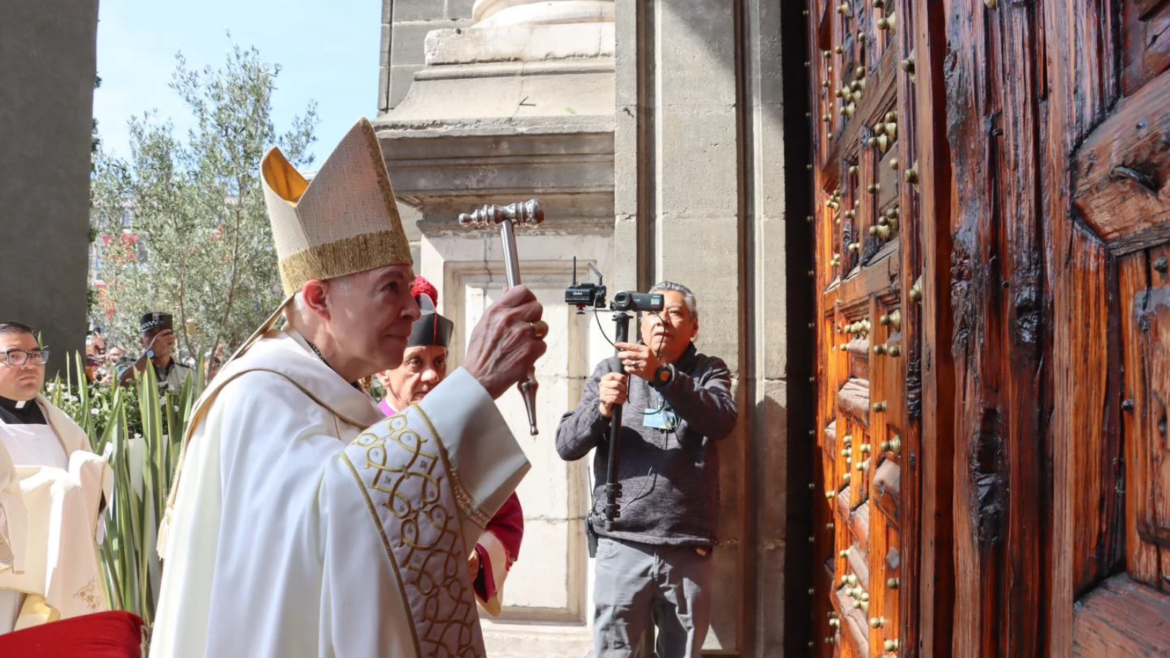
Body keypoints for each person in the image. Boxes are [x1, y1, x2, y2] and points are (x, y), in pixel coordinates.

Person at [149, 117, 546, 658]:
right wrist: (472, 386)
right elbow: (342, 521)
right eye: (391, 288)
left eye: (409, 288)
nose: (412, 308)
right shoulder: (257, 396)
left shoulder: (335, 394)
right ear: (317, 299)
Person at [555, 282, 738, 658]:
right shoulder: (610, 370)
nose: (663, 321)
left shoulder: (708, 371)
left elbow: (721, 421)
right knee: (613, 654)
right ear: (640, 325)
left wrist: (664, 377)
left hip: (687, 547)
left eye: (675, 313)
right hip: (622, 542)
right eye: (654, 312)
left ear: (694, 327)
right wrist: (601, 410)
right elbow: (566, 445)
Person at [374, 275, 525, 617]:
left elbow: (507, 518)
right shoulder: (361, 430)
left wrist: (478, 557)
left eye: (439, 362)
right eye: (416, 362)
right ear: (384, 371)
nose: (431, 376)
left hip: (445, 610)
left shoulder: (461, 434)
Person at [0, 322, 112, 633]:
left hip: (57, 563)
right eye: (14, 357)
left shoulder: (63, 426)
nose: (30, 366)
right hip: (7, 570)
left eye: (36, 356)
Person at [118, 313, 194, 393]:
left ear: (172, 339)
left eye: (164, 334)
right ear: (141, 342)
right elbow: (121, 386)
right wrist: (151, 352)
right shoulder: (130, 367)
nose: (158, 340)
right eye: (152, 335)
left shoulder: (188, 373)